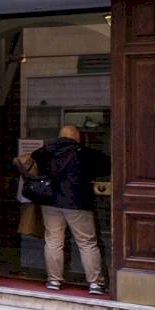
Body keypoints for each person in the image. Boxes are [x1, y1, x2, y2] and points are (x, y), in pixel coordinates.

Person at [19, 124, 111, 294]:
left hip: (50, 202)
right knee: (87, 243)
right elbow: (107, 166)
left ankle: (54, 281)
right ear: (77, 137)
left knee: (53, 241)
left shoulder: (44, 151)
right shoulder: (84, 153)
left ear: (60, 136)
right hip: (77, 203)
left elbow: (31, 165)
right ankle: (95, 283)